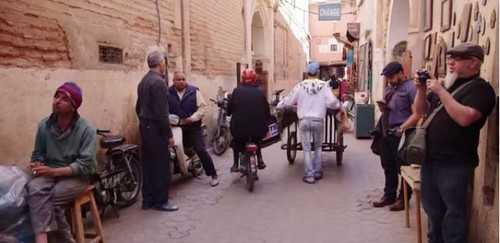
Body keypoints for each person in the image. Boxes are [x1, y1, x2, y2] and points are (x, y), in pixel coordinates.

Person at [413, 43, 496, 243]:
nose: (450, 63)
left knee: (454, 216)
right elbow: (419, 111)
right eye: (449, 58)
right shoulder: (448, 85)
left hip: (455, 164)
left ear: (473, 63)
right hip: (430, 160)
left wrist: (441, 92)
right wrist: (421, 89)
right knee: (433, 213)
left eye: (456, 59)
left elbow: (465, 118)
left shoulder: (481, 89)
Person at [26, 82, 97, 243]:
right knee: (33, 189)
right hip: (50, 173)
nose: (57, 101)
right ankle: (52, 239)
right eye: (56, 96)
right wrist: (36, 163)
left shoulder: (87, 129)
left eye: (64, 99)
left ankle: (54, 239)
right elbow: (38, 154)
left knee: (48, 199)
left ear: (73, 107)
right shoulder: (44, 125)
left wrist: (54, 172)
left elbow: (85, 165)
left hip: (77, 177)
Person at [277, 62, 341, 184]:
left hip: (304, 121)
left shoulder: (300, 86)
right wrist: (339, 105)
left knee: (306, 149)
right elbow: (333, 102)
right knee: (317, 147)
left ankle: (309, 175)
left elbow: (290, 101)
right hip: (318, 121)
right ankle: (317, 172)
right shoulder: (324, 86)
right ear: (318, 73)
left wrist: (280, 104)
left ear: (307, 73)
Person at [372, 61, 421, 211]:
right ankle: (389, 195)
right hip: (387, 131)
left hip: (402, 133)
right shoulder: (389, 88)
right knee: (388, 165)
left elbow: (417, 113)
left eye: (391, 76)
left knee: (403, 168)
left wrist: (402, 127)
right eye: (387, 77)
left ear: (401, 73)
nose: (389, 80)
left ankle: (403, 199)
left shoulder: (411, 88)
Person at [136, 50, 178, 212]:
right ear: (161, 64)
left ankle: (148, 200)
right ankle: (161, 201)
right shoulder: (159, 82)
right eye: (164, 63)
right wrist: (168, 135)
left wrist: (144, 122)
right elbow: (162, 114)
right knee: (161, 165)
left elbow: (138, 107)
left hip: (145, 126)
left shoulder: (143, 81)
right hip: (156, 128)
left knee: (148, 165)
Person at [167, 71, 220, 187]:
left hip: (193, 126)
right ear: (173, 81)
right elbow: (165, 110)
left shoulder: (194, 91)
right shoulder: (168, 93)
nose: (181, 81)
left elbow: (203, 108)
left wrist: (192, 118)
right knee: (172, 149)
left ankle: (213, 175)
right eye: (178, 79)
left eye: (183, 79)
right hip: (176, 127)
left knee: (200, 149)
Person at [227, 68, 270, 172]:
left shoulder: (236, 91)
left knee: (236, 142)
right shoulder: (260, 92)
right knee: (257, 140)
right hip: (258, 129)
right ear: (255, 79)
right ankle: (260, 159)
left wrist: (229, 112)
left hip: (239, 129)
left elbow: (229, 110)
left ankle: (235, 164)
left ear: (242, 79)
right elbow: (267, 111)